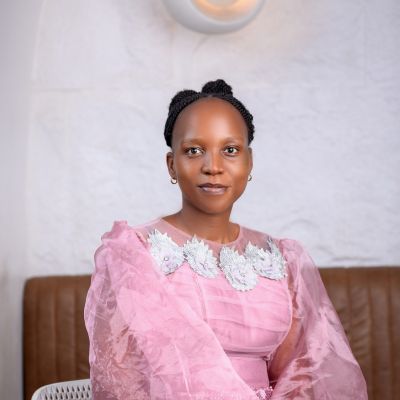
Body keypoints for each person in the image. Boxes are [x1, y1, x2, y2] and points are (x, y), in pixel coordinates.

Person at [84, 79, 368, 399]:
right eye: (194, 151)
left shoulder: (281, 259)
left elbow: (302, 372)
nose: (213, 167)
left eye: (230, 150)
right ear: (172, 165)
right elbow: (121, 380)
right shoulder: (133, 253)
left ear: (249, 162)